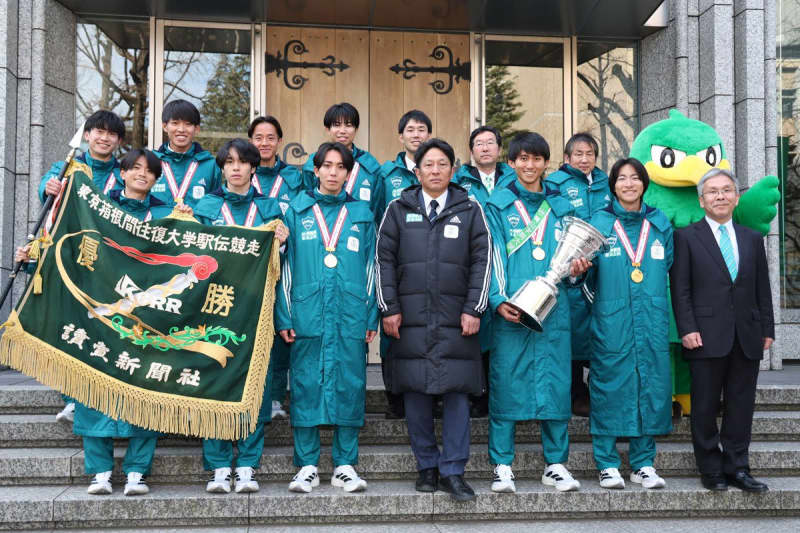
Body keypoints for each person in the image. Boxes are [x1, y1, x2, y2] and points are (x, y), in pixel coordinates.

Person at [17, 149, 190, 496]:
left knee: (146, 393)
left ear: (156, 179)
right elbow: (68, 247)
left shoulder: (166, 213)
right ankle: (99, 473)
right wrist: (31, 257)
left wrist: (187, 221)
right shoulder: (98, 207)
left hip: (146, 318)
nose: (142, 174)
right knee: (92, 390)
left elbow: (189, 257)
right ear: (122, 173)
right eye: (135, 168)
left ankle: (138, 471)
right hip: (100, 313)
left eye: (150, 171)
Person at [376, 138, 491, 502]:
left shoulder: (470, 210)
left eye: (443, 164)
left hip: (457, 320)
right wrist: (388, 308)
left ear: (453, 170)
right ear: (417, 170)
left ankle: (454, 471)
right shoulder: (397, 209)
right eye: (429, 164)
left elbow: (483, 263)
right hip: (409, 319)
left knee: (457, 396)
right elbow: (383, 262)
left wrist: (474, 309)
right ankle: (426, 466)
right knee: (416, 394)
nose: (436, 170)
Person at [485, 132, 588, 494]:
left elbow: (576, 263)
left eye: (537, 159)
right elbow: (491, 257)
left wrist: (579, 271)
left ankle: (556, 464)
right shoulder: (496, 206)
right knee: (506, 382)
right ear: (510, 163)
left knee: (556, 383)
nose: (530, 166)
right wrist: (498, 300)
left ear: (547, 163)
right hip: (511, 310)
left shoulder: (563, 207)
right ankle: (501, 464)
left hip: (554, 311)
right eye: (522, 159)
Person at [276, 142, 377, 494]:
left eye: (340, 167)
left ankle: (345, 465)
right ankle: (306, 466)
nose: (333, 173)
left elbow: (371, 267)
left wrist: (370, 314)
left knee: (350, 383)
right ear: (315, 170)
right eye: (327, 166)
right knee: (305, 383)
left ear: (349, 174)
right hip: (307, 312)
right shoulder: (295, 210)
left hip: (349, 312)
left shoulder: (362, 213)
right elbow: (282, 267)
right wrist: (284, 315)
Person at [670, 167, 774, 493]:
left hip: (746, 335)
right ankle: (711, 469)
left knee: (741, 406)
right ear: (702, 200)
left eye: (726, 190)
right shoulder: (686, 237)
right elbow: (680, 289)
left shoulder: (752, 239)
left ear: (736, 196)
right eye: (713, 191)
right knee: (703, 407)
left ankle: (738, 468)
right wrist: (686, 327)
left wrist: (767, 328)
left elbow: (762, 288)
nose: (720, 196)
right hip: (703, 336)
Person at [194, 138, 288, 494]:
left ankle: (248, 463)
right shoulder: (206, 206)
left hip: (256, 308)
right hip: (213, 307)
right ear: (221, 169)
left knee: (256, 387)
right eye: (229, 162)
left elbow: (283, 257)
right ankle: (218, 464)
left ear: (253, 167)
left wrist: (284, 239)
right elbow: (191, 251)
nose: (235, 168)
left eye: (242, 162)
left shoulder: (269, 208)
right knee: (214, 381)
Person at [586, 158, 672, 490]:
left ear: (644, 183)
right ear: (613, 185)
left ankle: (643, 463)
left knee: (650, 385)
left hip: (650, 320)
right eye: (621, 179)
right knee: (609, 386)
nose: (629, 184)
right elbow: (584, 277)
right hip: (612, 321)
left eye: (635, 178)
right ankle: (607, 463)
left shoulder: (660, 223)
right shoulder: (600, 223)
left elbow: (670, 267)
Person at [38, 109, 126, 424]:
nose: (104, 138)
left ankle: (98, 392)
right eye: (98, 132)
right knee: (69, 327)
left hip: (108, 264)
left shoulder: (123, 172)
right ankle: (73, 398)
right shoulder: (66, 168)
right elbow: (45, 190)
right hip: (69, 257)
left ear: (118, 141)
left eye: (111, 134)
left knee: (100, 326)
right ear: (87, 135)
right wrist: (49, 187)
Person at [452, 125, 517, 418]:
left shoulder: (514, 180)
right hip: (470, 260)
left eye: (491, 142)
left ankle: (499, 393)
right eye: (479, 144)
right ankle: (475, 393)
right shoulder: (459, 182)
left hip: (509, 259)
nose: (486, 148)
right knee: (475, 326)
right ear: (472, 151)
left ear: (499, 149)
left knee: (503, 327)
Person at [544, 133, 611, 416]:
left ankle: (601, 391)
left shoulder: (608, 183)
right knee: (572, 332)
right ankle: (575, 393)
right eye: (579, 154)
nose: (585, 159)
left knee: (604, 329)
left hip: (605, 265)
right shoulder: (554, 185)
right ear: (567, 158)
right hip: (571, 269)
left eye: (590, 154)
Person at [374, 109, 432, 419]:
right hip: (396, 265)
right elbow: (373, 217)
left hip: (434, 264)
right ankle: (394, 396)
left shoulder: (442, 171)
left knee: (429, 330)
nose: (416, 135)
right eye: (410, 129)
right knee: (393, 331)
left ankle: (429, 393)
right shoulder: (386, 175)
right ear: (401, 136)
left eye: (422, 129)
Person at [248, 115, 305, 420]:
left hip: (285, 264)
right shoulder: (242, 171)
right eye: (258, 137)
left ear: (279, 142)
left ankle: (275, 396)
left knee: (282, 326)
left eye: (271, 137)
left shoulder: (296, 178)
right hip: (247, 268)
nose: (264, 143)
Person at [301, 103, 381, 215]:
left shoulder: (370, 165)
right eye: (337, 125)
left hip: (359, 228)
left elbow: (377, 207)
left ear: (356, 129)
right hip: (322, 227)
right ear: (328, 129)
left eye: (348, 125)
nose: (342, 130)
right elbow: (306, 202)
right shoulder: (313, 163)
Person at [153, 99, 221, 209]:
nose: (181, 129)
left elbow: (215, 206)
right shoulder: (151, 162)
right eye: (175, 123)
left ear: (197, 129)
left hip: (195, 226)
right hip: (158, 226)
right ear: (165, 126)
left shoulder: (210, 165)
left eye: (188, 124)